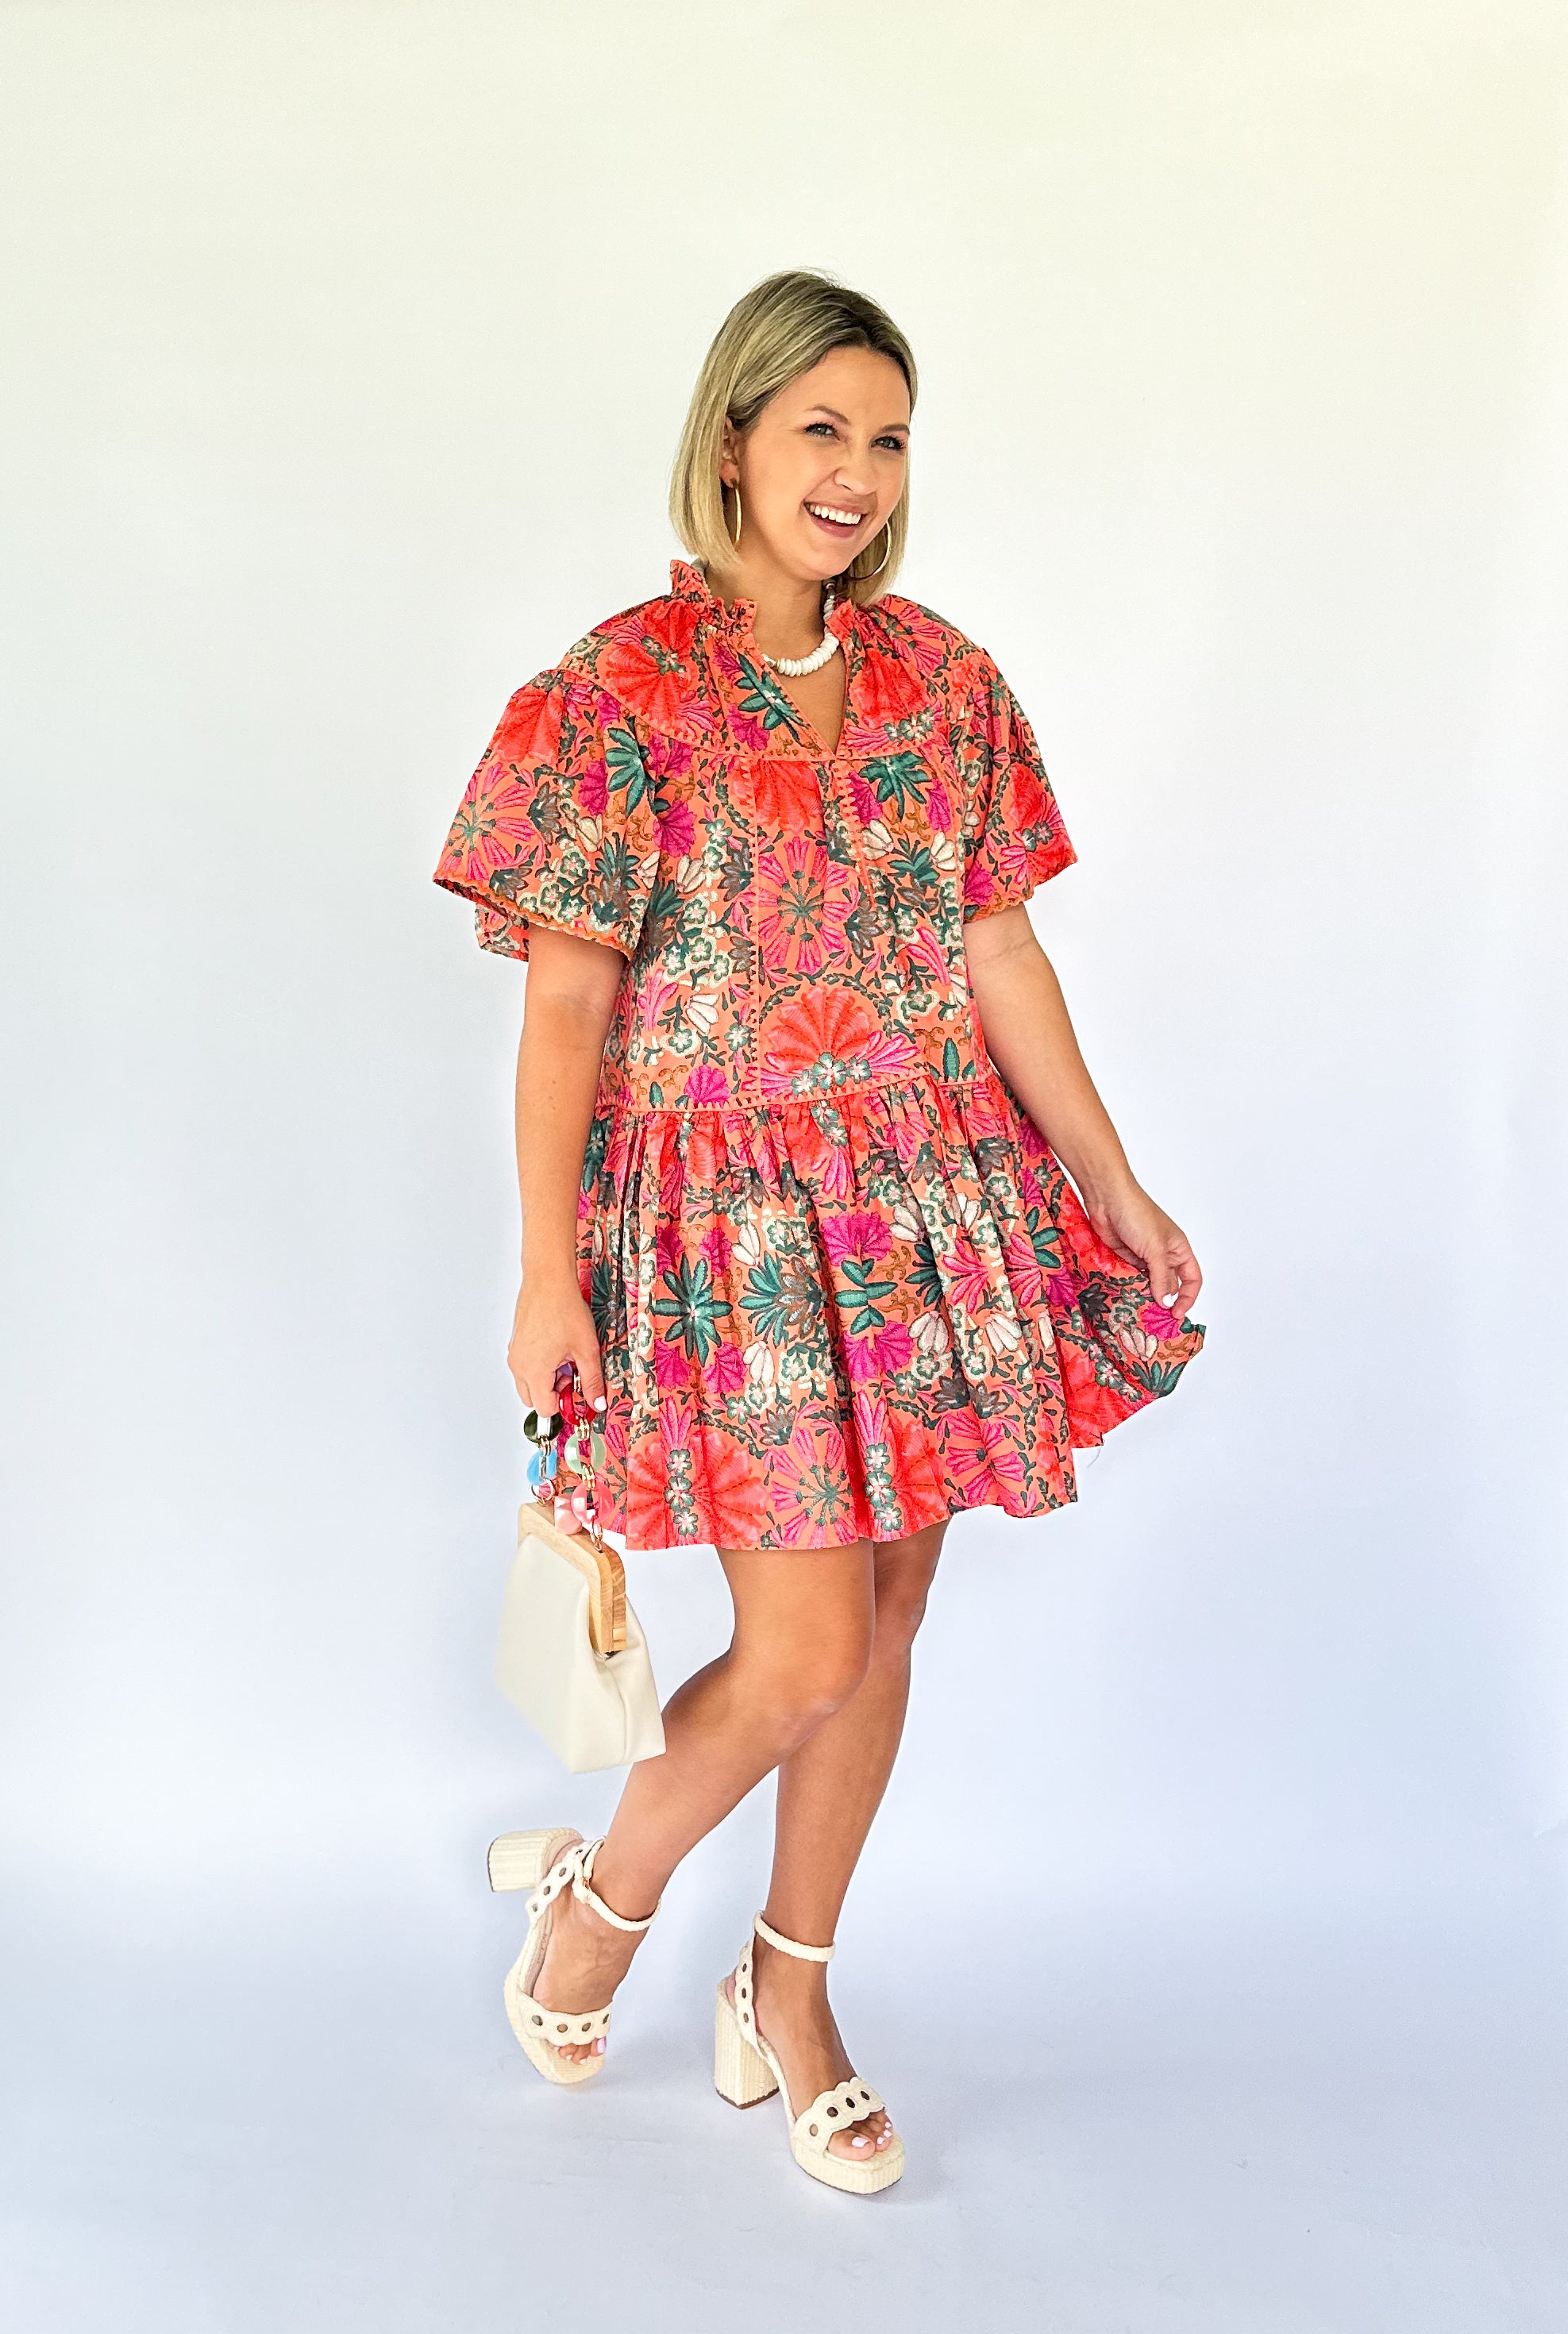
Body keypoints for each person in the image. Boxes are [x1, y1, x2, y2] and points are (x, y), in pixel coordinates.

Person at [433, 269, 1204, 2196]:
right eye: (819, 430)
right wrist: (544, 1269)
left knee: (885, 1623)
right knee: (797, 1649)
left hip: (926, 1205)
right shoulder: (611, 694)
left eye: (886, 438)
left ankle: (788, 1987)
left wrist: (1111, 1182)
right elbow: (564, 1002)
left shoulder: (943, 679)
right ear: (731, 444)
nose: (856, 472)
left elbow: (996, 948)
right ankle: (600, 1902)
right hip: (732, 1233)